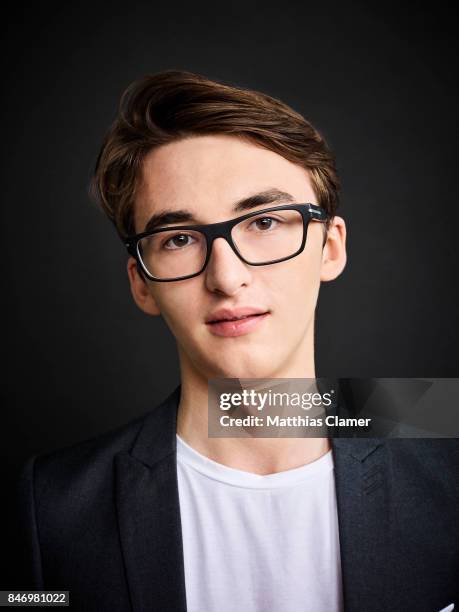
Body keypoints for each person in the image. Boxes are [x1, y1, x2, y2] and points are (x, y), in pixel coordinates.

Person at [19, 71, 458, 612]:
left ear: (330, 248)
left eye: (266, 222)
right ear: (140, 280)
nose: (227, 278)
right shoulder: (51, 504)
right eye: (178, 239)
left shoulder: (442, 437)